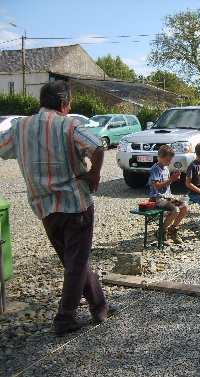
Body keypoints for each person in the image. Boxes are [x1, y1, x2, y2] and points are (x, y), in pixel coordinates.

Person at [0, 80, 115, 336]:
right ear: (64, 104)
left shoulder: (20, 126)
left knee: (74, 261)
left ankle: (100, 306)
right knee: (76, 264)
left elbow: (2, 148)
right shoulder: (69, 124)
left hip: (44, 207)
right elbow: (97, 146)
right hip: (76, 204)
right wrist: (94, 174)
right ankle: (64, 320)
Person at [148, 145, 188, 244]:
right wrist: (171, 179)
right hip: (157, 198)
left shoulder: (166, 168)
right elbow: (156, 186)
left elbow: (166, 184)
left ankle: (173, 228)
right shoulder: (155, 169)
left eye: (170, 160)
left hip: (167, 196)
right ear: (160, 157)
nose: (169, 162)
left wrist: (172, 180)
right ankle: (162, 231)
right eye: (168, 160)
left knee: (184, 206)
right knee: (175, 210)